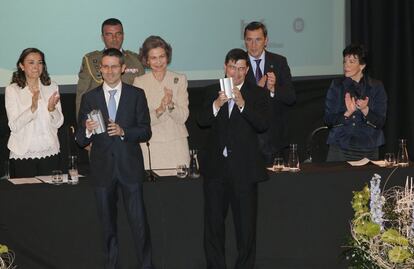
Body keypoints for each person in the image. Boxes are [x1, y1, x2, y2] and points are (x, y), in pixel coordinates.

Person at [76, 48, 153, 268]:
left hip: (130, 168)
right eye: (105, 66)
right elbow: (80, 139)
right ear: (100, 69)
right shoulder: (90, 97)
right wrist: (88, 130)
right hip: (102, 170)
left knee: (139, 225)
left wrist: (124, 132)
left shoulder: (136, 94)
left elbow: (146, 131)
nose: (109, 71)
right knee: (108, 227)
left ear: (122, 68)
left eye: (114, 66)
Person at [198, 48, 269, 269]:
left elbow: (262, 124)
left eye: (241, 69)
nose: (236, 73)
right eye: (232, 67)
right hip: (216, 171)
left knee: (246, 230)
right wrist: (217, 105)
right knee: (213, 227)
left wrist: (242, 104)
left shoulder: (256, 93)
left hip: (244, 172)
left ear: (247, 70)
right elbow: (201, 121)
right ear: (225, 67)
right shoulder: (212, 90)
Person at [133, 35, 190, 170]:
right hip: (152, 144)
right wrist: (160, 109)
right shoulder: (139, 82)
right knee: (155, 189)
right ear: (146, 60)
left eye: (162, 56)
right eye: (153, 58)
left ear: (167, 56)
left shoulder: (179, 79)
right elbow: (141, 120)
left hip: (177, 144)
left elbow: (183, 117)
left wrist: (170, 105)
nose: (158, 62)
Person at [5, 48, 63, 178]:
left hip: (50, 149)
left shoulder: (51, 86)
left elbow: (59, 123)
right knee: (25, 196)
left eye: (40, 62)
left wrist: (52, 109)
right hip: (23, 152)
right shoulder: (12, 90)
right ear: (22, 66)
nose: (36, 67)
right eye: (31, 62)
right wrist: (32, 108)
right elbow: (13, 126)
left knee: (50, 195)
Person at [244, 21, 296, 165]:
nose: (253, 45)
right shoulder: (238, 64)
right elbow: (231, 98)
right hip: (245, 138)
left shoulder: (279, 62)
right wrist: (257, 90)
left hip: (273, 140)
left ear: (266, 41)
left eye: (258, 39)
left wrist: (273, 89)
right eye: (249, 40)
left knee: (274, 186)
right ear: (245, 42)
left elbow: (291, 97)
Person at [325, 44, 387, 161]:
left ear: (362, 65)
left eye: (351, 62)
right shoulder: (337, 86)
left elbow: (380, 122)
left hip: (369, 147)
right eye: (344, 61)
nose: (346, 65)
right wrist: (347, 113)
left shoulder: (376, 87)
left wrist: (365, 110)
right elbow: (328, 119)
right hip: (340, 147)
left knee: (366, 180)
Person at [75, 18, 144, 118]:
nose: (114, 38)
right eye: (109, 34)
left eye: (118, 34)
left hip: (129, 119)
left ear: (123, 36)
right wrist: (82, 124)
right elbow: (82, 96)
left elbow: (143, 95)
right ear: (103, 37)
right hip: (101, 119)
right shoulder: (90, 60)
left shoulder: (135, 60)